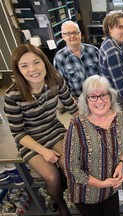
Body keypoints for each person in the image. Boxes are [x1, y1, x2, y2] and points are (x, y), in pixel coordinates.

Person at [4, 44, 78, 216]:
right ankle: (60, 204)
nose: (33, 69)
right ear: (18, 70)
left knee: (69, 166)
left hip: (53, 129)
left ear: (44, 62)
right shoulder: (12, 96)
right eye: (24, 66)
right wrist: (44, 151)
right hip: (30, 140)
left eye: (36, 62)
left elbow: (71, 108)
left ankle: (59, 191)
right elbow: (19, 133)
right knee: (52, 177)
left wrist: (92, 125)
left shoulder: (56, 81)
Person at [63, 75, 123, 216]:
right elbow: (72, 168)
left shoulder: (122, 118)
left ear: (110, 96)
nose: (99, 101)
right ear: (86, 101)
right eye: (92, 97)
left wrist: (120, 164)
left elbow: (122, 148)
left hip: (112, 187)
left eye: (103, 95)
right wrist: (100, 184)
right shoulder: (76, 125)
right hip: (87, 192)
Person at [53, 20, 99, 100]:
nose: (72, 36)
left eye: (75, 32)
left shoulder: (94, 51)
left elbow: (104, 74)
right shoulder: (60, 58)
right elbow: (60, 84)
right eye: (68, 33)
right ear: (63, 37)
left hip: (98, 96)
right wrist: (70, 99)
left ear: (80, 34)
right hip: (77, 99)